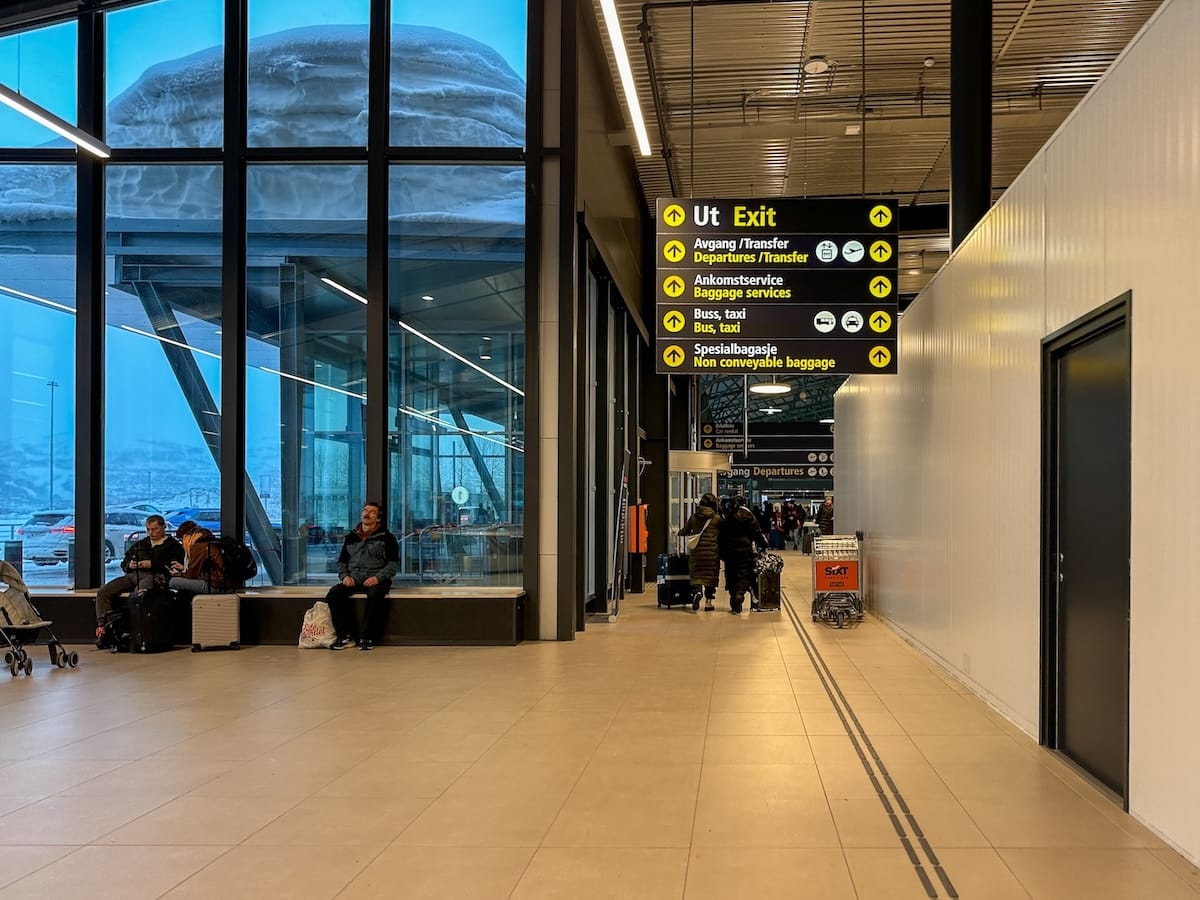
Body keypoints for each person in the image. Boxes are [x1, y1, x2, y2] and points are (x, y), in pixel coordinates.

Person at [95, 514, 184, 640]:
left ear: (163, 527)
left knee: (137, 597)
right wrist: (129, 565)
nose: (151, 533)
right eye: (148, 530)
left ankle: (135, 631)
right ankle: (104, 627)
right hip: (134, 574)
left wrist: (152, 564)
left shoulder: (173, 546)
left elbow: (173, 567)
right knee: (104, 592)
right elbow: (124, 562)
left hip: (156, 577)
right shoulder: (141, 544)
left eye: (155, 529)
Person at [325, 501, 400, 651]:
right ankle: (344, 636)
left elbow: (392, 565)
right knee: (334, 594)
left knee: (375, 595)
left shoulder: (387, 538)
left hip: (377, 578)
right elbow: (341, 562)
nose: (367, 514)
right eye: (365, 510)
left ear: (378, 518)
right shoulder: (351, 537)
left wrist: (378, 578)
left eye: (372, 512)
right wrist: (345, 576)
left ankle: (366, 637)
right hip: (354, 578)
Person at [717, 496, 768, 614]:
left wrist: (721, 551)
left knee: (731, 573)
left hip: (729, 550)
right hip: (745, 550)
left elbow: (721, 536)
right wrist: (763, 544)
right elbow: (757, 532)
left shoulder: (726, 517)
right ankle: (740, 592)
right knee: (744, 572)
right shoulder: (748, 516)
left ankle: (733, 595)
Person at [168, 520, 231, 601]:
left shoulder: (199, 547)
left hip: (216, 585)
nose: (182, 543)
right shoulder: (209, 541)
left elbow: (192, 575)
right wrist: (184, 569)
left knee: (173, 581)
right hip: (224, 584)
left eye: (181, 539)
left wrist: (176, 574)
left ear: (187, 536)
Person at [679, 493, 721, 611]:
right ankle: (708, 602)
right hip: (712, 553)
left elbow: (685, 531)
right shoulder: (717, 518)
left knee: (696, 575)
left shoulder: (694, 517)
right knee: (710, 577)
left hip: (697, 552)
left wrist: (679, 533)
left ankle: (697, 593)